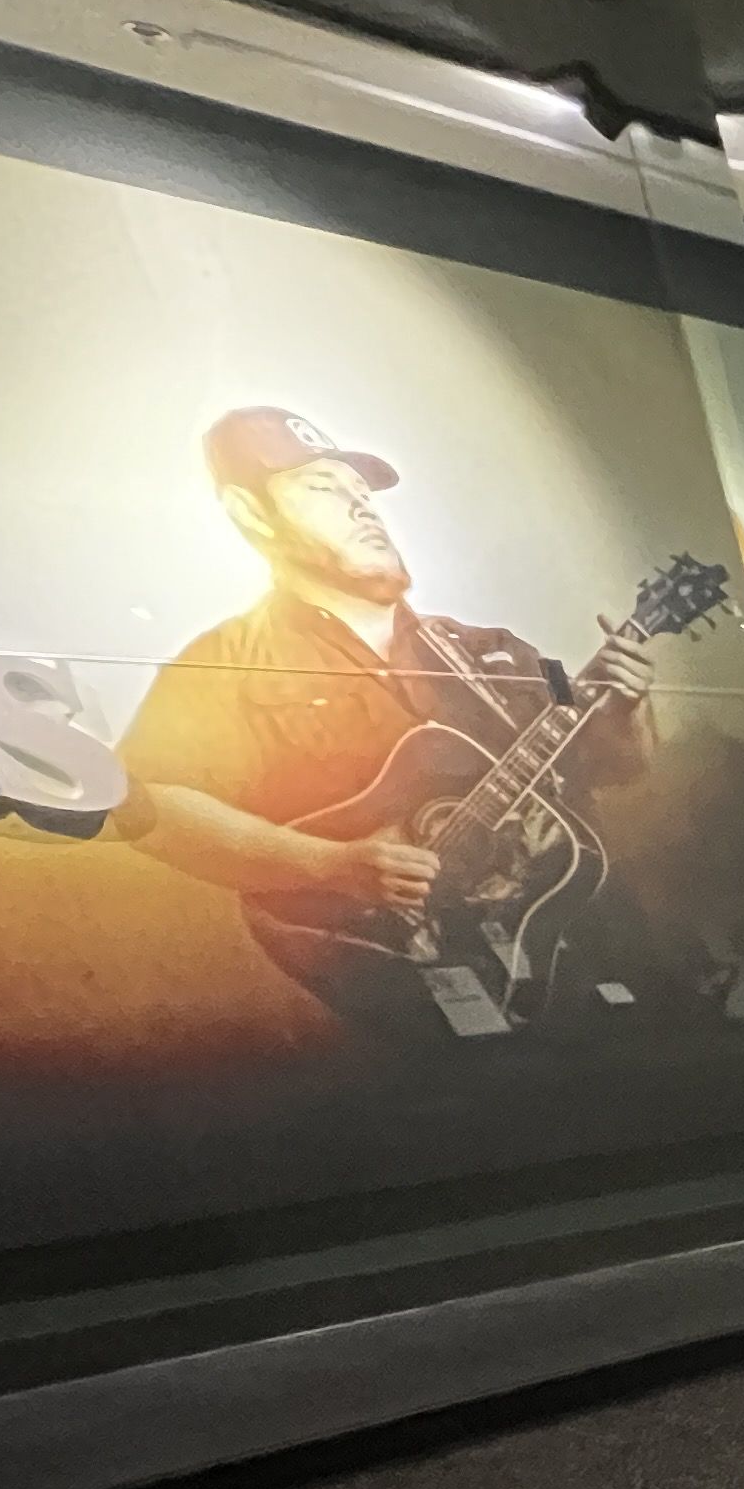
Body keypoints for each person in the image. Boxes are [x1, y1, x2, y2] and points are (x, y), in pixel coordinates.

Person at [118, 406, 657, 1030]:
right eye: (323, 488)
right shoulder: (227, 659)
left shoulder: (499, 647)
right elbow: (154, 807)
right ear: (250, 512)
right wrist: (327, 865)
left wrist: (626, 705)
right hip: (396, 997)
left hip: (599, 963)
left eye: (362, 491)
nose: (362, 506)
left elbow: (619, 765)